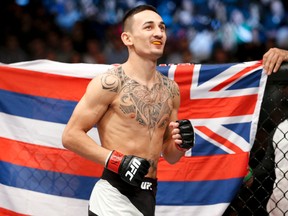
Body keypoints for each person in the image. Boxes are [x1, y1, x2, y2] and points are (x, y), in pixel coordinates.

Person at [62, 5, 194, 216]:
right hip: (114, 195)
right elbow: (70, 135)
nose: (158, 33)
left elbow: (169, 156)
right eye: (149, 27)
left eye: (162, 27)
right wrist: (117, 161)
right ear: (127, 38)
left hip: (148, 196)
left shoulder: (171, 90)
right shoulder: (110, 83)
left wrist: (180, 144)